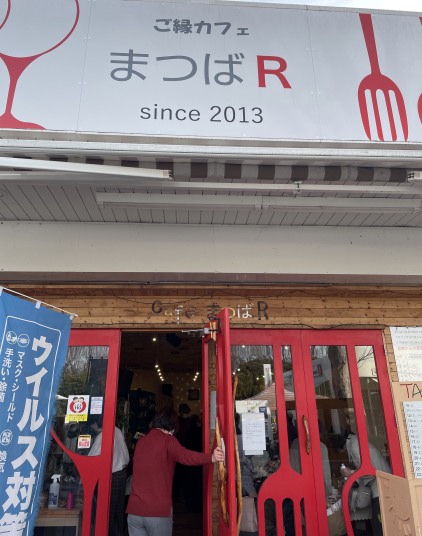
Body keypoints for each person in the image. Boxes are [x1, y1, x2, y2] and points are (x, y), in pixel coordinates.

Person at [127, 407, 224, 536]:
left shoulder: (141, 442)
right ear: (172, 426)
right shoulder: (168, 440)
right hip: (157, 511)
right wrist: (211, 457)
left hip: (134, 511)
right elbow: (186, 456)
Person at [340, 433, 391, 536]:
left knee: (379, 524)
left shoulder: (354, 446)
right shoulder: (355, 442)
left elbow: (368, 471)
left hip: (380, 487)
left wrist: (351, 473)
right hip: (382, 483)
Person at [88, 417, 130, 536]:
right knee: (117, 513)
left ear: (96, 423)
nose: (91, 428)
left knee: (107, 515)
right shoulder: (116, 430)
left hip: (111, 477)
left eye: (92, 425)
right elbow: (126, 456)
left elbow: (91, 460)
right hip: (121, 474)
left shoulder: (103, 435)